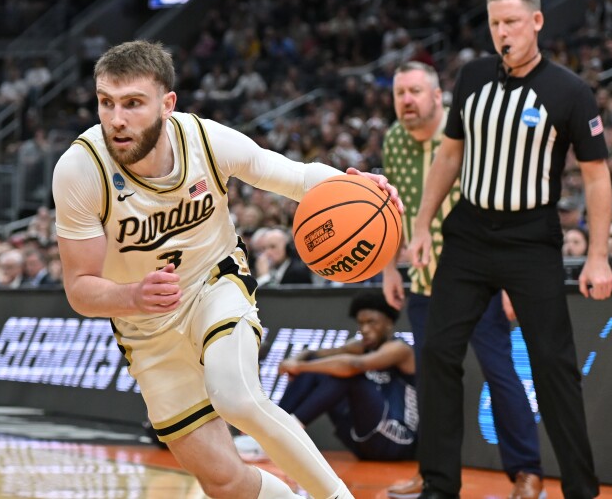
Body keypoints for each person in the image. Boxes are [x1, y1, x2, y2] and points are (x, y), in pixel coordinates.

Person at [53, 40, 401, 499]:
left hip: (213, 284)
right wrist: (132, 296)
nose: (116, 119)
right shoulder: (80, 169)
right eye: (106, 103)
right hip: (144, 328)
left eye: (133, 103)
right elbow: (79, 289)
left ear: (167, 103)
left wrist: (355, 184)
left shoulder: (206, 141)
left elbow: (295, 177)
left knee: (235, 396)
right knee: (224, 482)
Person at [409, 0, 612, 499]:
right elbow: (450, 154)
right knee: (436, 352)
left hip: (531, 239)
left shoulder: (569, 90)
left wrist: (597, 257)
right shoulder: (473, 76)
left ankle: (581, 490)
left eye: (512, 22)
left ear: (537, 23)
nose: (503, 32)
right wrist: (422, 225)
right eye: (496, 23)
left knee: (554, 364)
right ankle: (438, 483)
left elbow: (596, 175)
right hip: (469, 234)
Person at [380, 61, 543, 499]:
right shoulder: (394, 140)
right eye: (400, 93)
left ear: (438, 96)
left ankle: (527, 471)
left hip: (480, 277)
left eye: (415, 91)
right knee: (433, 380)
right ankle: (434, 476)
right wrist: (390, 267)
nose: (407, 101)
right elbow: (390, 210)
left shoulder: (469, 134)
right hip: (425, 282)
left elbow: (503, 203)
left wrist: (510, 277)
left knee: (499, 370)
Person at [271, 290, 417, 461]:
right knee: (320, 368)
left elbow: (354, 365)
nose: (365, 329)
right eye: (361, 323)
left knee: (350, 376)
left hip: (399, 440)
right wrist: (297, 359)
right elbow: (314, 354)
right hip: (363, 440)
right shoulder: (360, 346)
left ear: (389, 323)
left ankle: (286, 434)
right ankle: (272, 428)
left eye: (372, 322)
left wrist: (300, 366)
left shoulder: (400, 348)